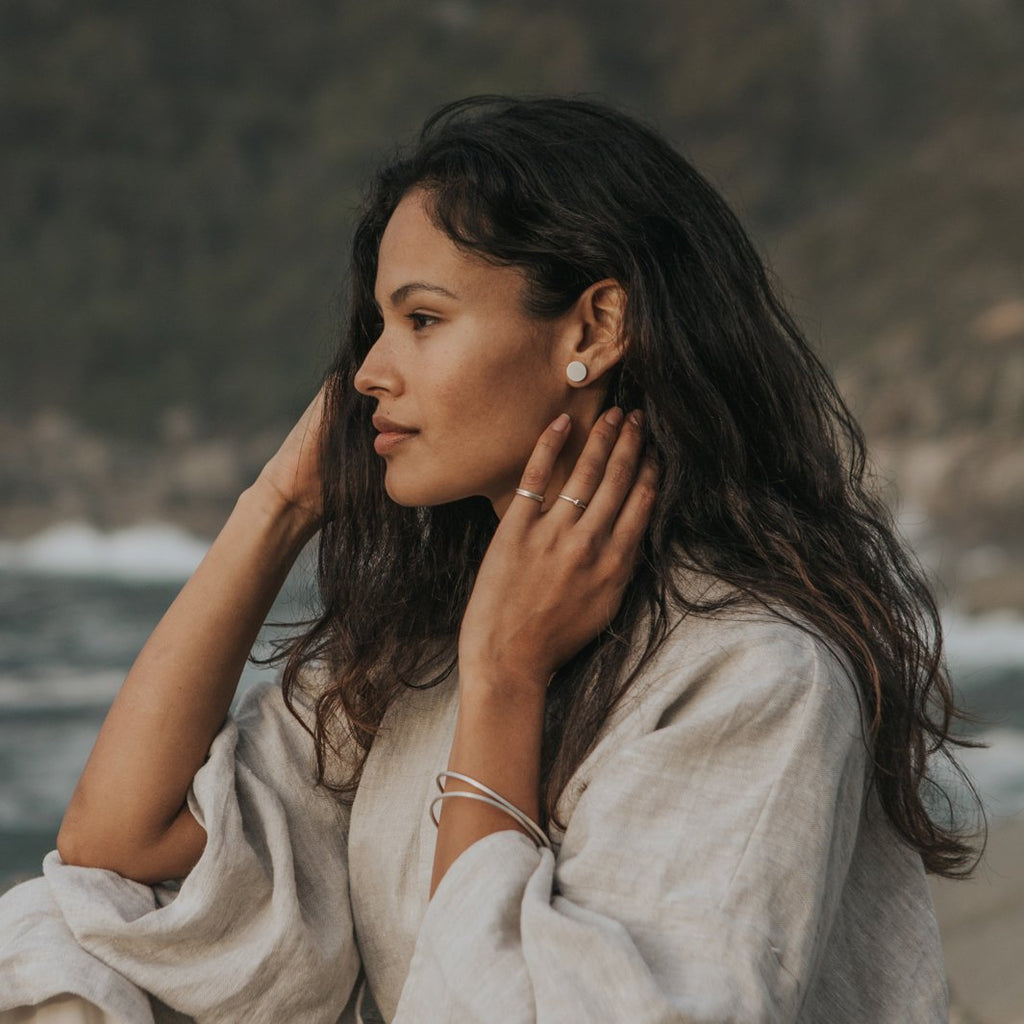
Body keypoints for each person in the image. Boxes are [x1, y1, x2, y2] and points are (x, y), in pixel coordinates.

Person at [0, 95, 979, 1023]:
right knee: (64, 930)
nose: (369, 372)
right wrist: (280, 503)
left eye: (422, 320)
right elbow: (118, 846)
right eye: (376, 325)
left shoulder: (753, 675)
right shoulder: (418, 645)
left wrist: (506, 677)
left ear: (593, 329)